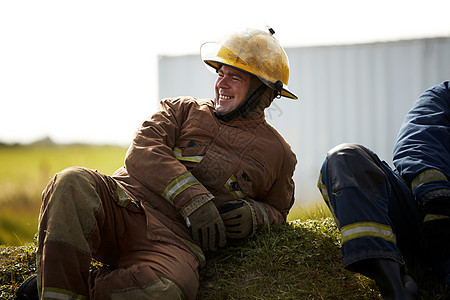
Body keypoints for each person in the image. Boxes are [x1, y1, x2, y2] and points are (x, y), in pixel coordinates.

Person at [15, 27, 298, 300]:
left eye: (234, 77)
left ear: (263, 92)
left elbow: (278, 209)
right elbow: (143, 149)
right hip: (123, 207)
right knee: (70, 181)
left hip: (174, 244)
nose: (221, 83)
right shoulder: (181, 109)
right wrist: (194, 199)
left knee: (164, 292)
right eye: (220, 73)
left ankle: (72, 284)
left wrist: (255, 215)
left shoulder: (280, 155)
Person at [317, 81, 449, 299]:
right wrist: (438, 201)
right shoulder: (443, 95)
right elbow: (417, 144)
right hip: (425, 218)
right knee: (345, 159)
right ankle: (394, 284)